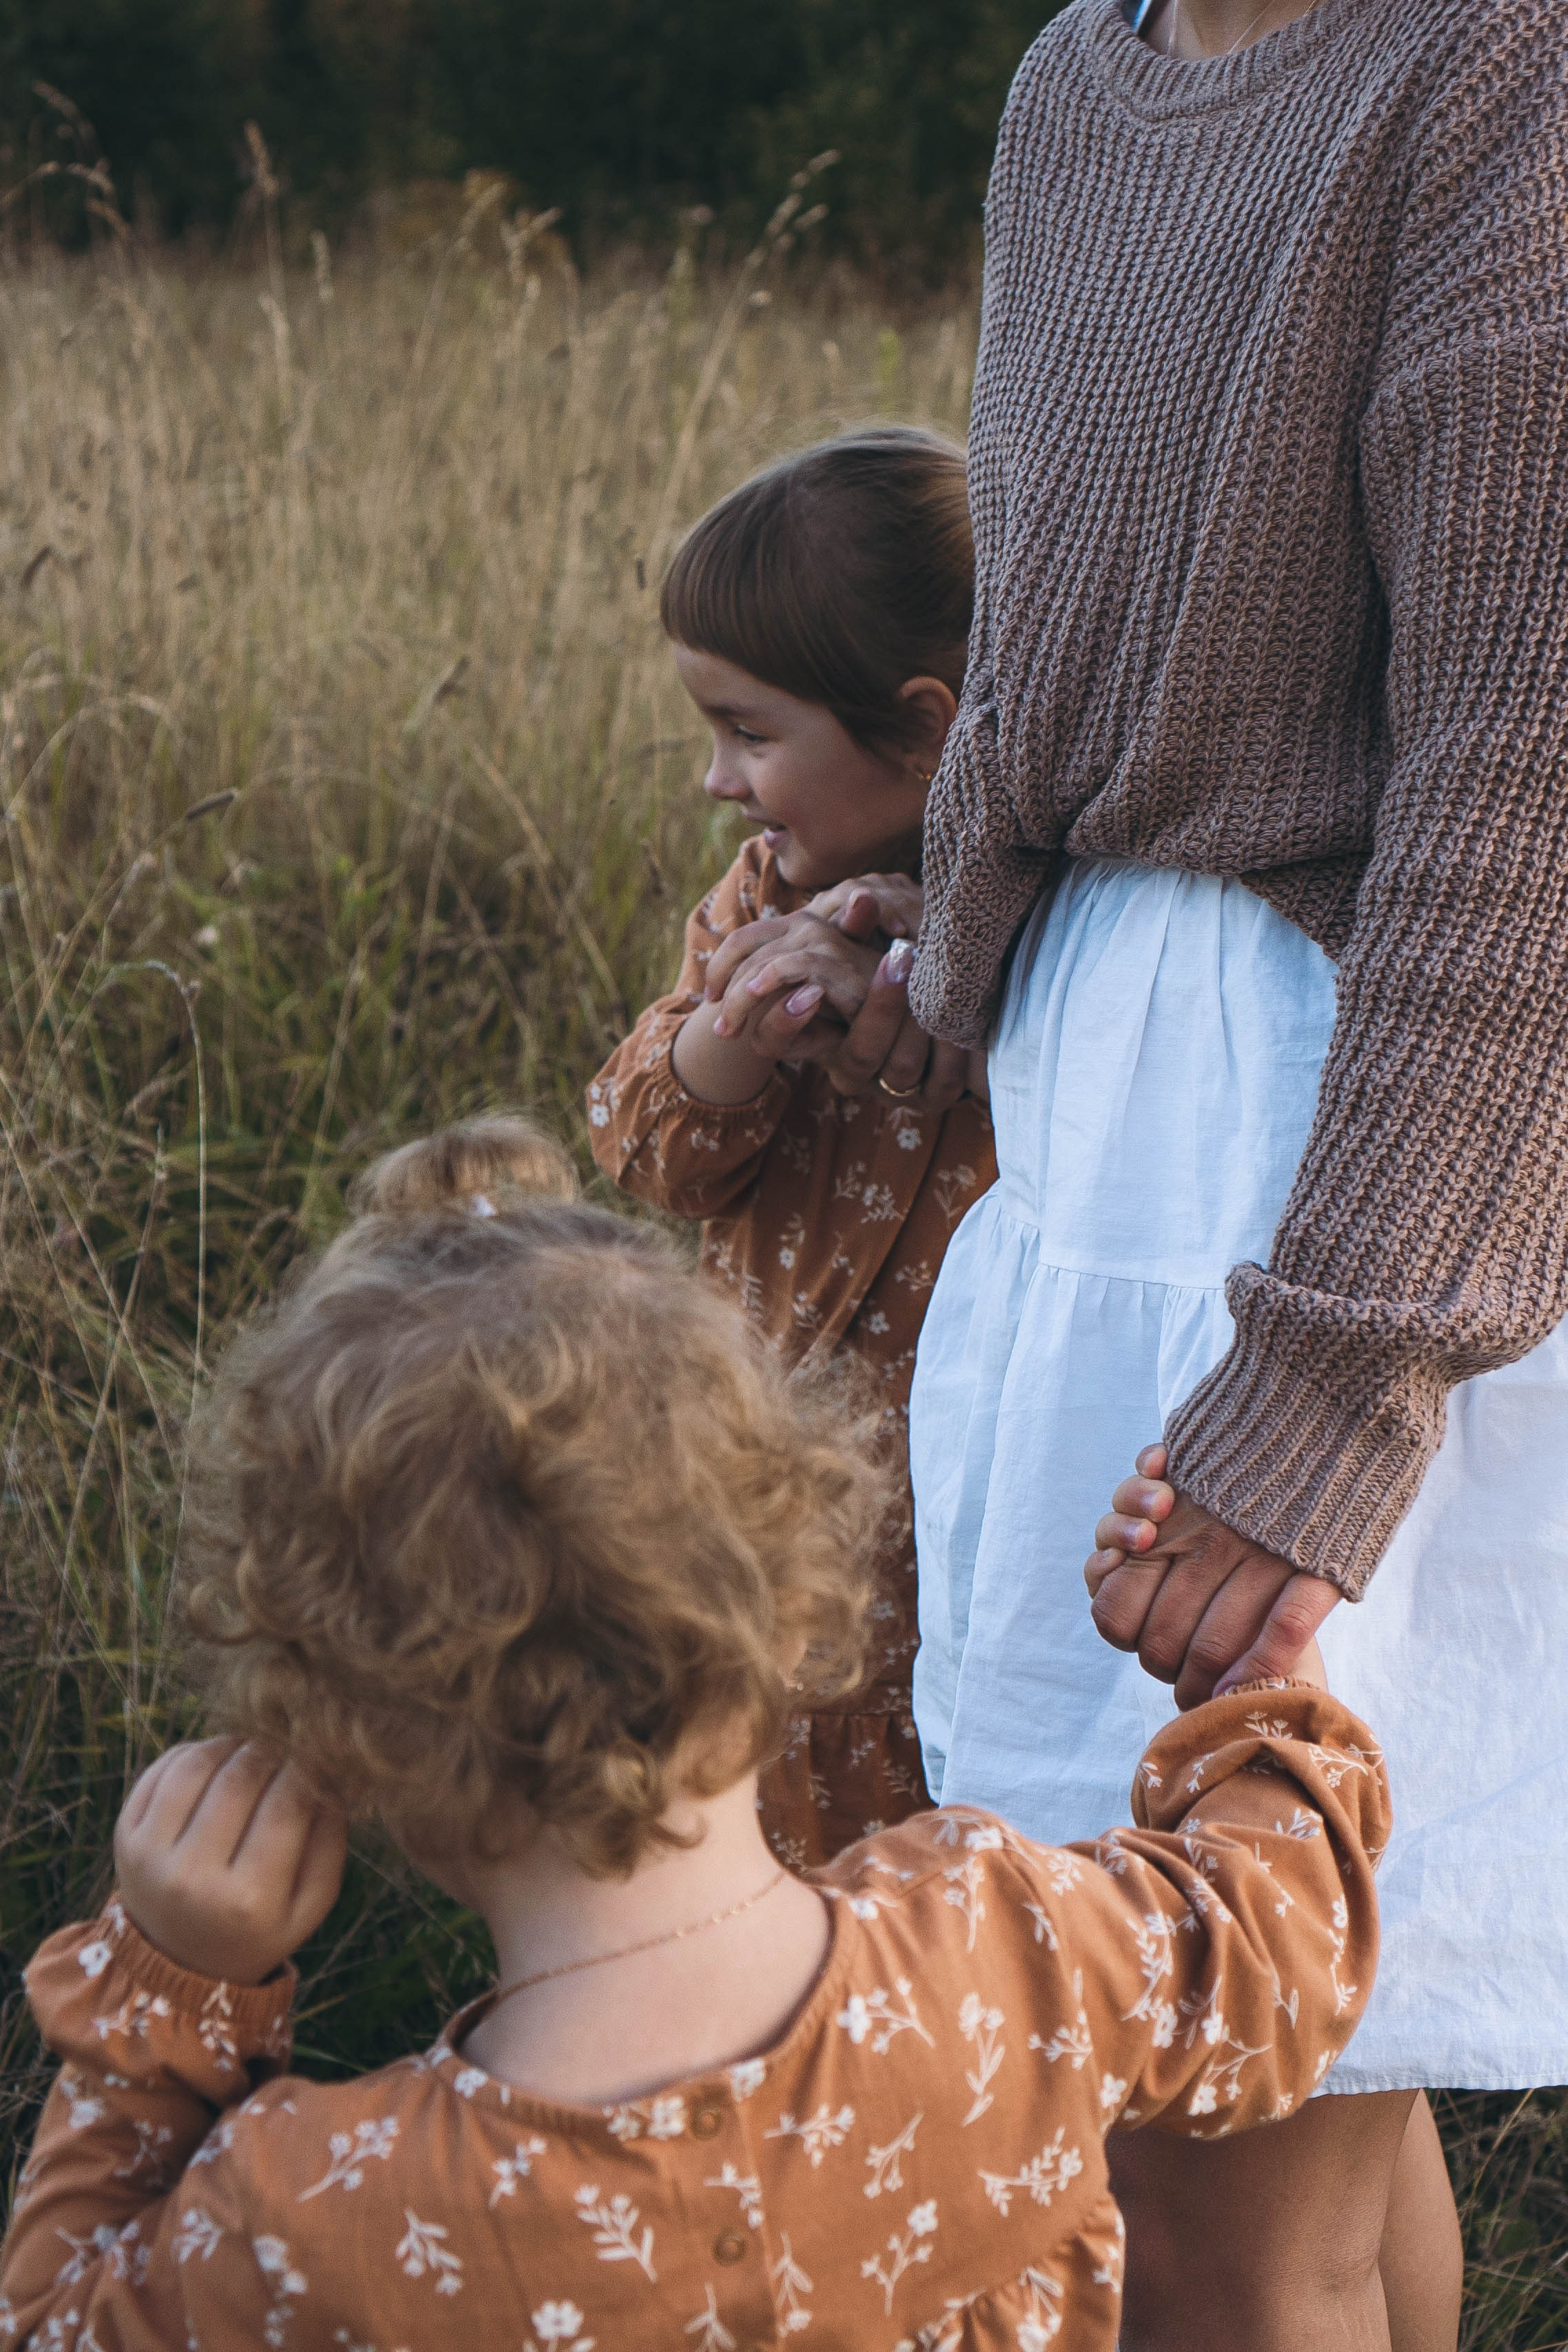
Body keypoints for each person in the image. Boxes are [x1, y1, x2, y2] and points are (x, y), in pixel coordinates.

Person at [1, 1115, 1391, 2352]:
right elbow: (1276, 1948)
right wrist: (1253, 1679)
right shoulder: (1004, 1950)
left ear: (343, 1744)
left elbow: (61, 2319)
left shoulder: (325, 2217)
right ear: (794, 1595)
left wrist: (170, 2000)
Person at [874, 0, 1568, 2341]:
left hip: (1325, 1165)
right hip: (1103, 1124)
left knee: (1207, 2163)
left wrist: (1327, 1383)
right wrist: (925, 969)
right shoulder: (1073, 82)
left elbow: (1523, 767)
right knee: (1313, 2126)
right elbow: (1063, 668)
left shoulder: (1495, 68)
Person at [587, 429, 995, 1867]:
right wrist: (741, 1026)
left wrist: (961, 983)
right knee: (746, 1820)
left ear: (926, 728)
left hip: (942, 1544)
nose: (718, 778)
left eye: (750, 734)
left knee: (929, 1860)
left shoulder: (1053, 926)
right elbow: (649, 1149)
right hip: (753, 1502)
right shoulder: (765, 896)